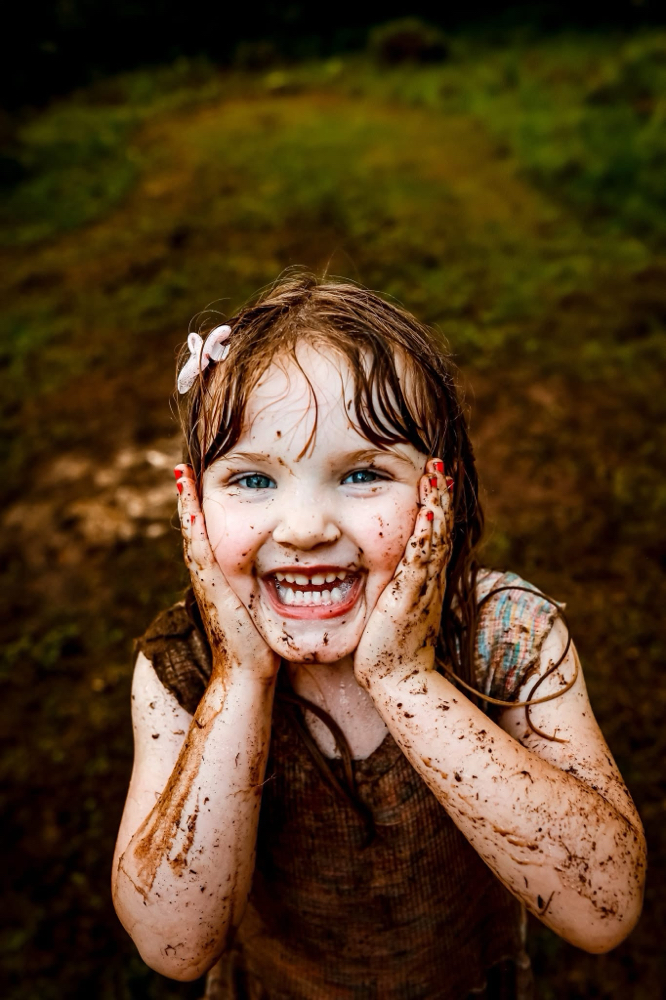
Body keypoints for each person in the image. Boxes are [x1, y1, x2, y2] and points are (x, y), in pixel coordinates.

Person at [112, 274, 646, 999]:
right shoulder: (181, 667)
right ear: (193, 507)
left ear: (441, 491)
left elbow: (604, 908)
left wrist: (404, 676)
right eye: (253, 481)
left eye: (363, 474)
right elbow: (175, 945)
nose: (305, 529)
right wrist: (240, 679)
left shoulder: (508, 635)